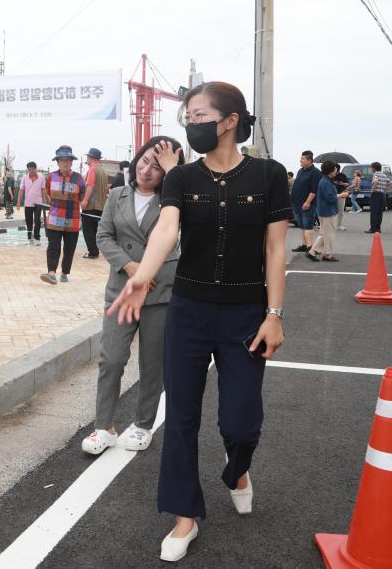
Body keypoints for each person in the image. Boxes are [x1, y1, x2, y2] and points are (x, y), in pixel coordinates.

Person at [110, 81, 290, 562]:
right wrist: (143, 278)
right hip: (187, 311)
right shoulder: (182, 179)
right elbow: (167, 229)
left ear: (229, 121)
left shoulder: (270, 175)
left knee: (241, 420)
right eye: (187, 117)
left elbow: (276, 249)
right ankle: (184, 516)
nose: (190, 124)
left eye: (198, 115)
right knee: (182, 418)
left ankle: (237, 469)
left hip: (246, 314)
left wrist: (274, 315)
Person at [82, 137, 184, 457]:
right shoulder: (116, 195)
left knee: (152, 363)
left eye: (157, 166)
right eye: (143, 161)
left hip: (160, 292)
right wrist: (131, 267)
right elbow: (103, 236)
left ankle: (142, 424)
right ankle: (104, 426)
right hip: (122, 289)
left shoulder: (176, 203)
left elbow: (177, 242)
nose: (147, 169)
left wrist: (149, 273)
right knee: (110, 359)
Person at [40, 146, 85, 285]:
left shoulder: (79, 178)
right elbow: (48, 192)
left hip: (73, 220)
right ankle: (51, 273)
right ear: (58, 162)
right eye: (62, 160)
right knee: (53, 246)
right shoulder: (51, 177)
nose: (65, 162)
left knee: (69, 248)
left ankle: (65, 272)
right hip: (54, 219)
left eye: (68, 160)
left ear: (72, 162)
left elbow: (82, 196)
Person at [308, 161, 348, 262]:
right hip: (327, 211)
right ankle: (327, 254)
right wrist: (341, 195)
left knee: (324, 233)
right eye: (335, 169)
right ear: (330, 171)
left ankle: (312, 252)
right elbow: (330, 198)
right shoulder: (326, 182)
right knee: (329, 234)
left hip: (324, 210)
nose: (336, 171)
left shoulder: (326, 180)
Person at [80, 147, 109, 259]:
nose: (87, 159)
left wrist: (85, 200)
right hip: (101, 205)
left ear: (90, 158)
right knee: (97, 230)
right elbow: (106, 189)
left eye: (88, 157)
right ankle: (96, 250)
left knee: (88, 229)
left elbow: (90, 186)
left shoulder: (92, 169)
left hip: (91, 205)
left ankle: (92, 251)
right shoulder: (102, 170)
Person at [291, 151, 321, 252]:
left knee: (308, 225)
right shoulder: (300, 171)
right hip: (297, 203)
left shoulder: (315, 172)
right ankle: (304, 245)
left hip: (307, 204)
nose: (300, 160)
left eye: (303, 159)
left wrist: (307, 202)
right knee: (302, 226)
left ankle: (310, 247)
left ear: (309, 160)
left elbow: (314, 190)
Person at [18, 161, 47, 245]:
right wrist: (19, 202)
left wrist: (44, 201)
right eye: (29, 170)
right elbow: (21, 190)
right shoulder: (24, 178)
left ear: (35, 169)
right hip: (28, 203)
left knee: (37, 220)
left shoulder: (41, 177)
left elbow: (43, 189)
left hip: (38, 203)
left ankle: (37, 238)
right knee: (29, 221)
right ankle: (30, 237)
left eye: (32, 170)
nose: (30, 171)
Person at [366, 162, 392, 233]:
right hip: (382, 195)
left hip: (376, 194)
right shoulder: (384, 175)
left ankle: (373, 229)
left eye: (371, 168)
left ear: (374, 168)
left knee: (374, 212)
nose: (371, 169)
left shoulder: (375, 174)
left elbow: (375, 182)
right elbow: (390, 183)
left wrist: (372, 191)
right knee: (379, 212)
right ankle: (378, 228)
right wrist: (385, 189)